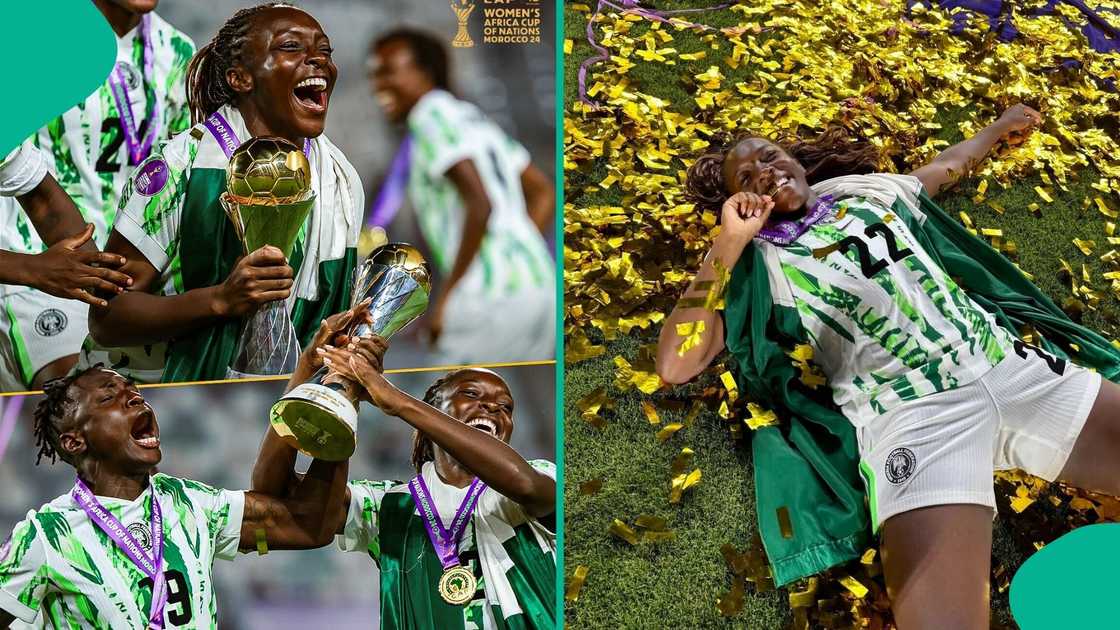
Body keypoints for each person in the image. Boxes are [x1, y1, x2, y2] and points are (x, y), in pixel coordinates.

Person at [655, 104, 1120, 629]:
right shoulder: (754, 269)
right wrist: (728, 243)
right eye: (746, 177)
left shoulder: (866, 192)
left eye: (770, 155)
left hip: (1009, 366)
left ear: (797, 161)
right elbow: (676, 362)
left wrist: (997, 128)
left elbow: (946, 167)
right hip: (913, 422)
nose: (765, 171)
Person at [79, 2, 364, 384]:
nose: (318, 60)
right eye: (291, 47)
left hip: (281, 397)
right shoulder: (180, 166)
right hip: (148, 394)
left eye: (325, 51)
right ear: (240, 78)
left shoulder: (341, 179)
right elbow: (107, 317)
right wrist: (221, 300)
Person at [0, 363, 350, 628]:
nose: (134, 398)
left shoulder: (189, 502)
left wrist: (337, 408)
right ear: (74, 441)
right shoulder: (45, 535)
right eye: (109, 398)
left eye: (134, 392)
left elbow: (311, 526)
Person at [253, 337, 557, 629]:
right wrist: (310, 371)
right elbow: (276, 495)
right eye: (472, 394)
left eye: (506, 407)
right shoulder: (388, 505)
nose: (493, 407)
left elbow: (525, 484)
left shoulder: (540, 477)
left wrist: (395, 400)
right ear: (435, 410)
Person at [0, 0, 194, 391]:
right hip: (39, 265)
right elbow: (30, 185)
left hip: (124, 276)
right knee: (80, 398)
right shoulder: (32, 35)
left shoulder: (178, 52)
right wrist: (30, 268)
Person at [369, 28, 556, 364]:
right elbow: (543, 192)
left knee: (447, 391)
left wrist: (446, 297)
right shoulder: (472, 118)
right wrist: (517, 253)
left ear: (424, 71)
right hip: (539, 287)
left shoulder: (430, 117)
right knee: (498, 391)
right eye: (374, 74)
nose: (377, 85)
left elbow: (480, 203)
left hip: (487, 297)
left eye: (387, 71)